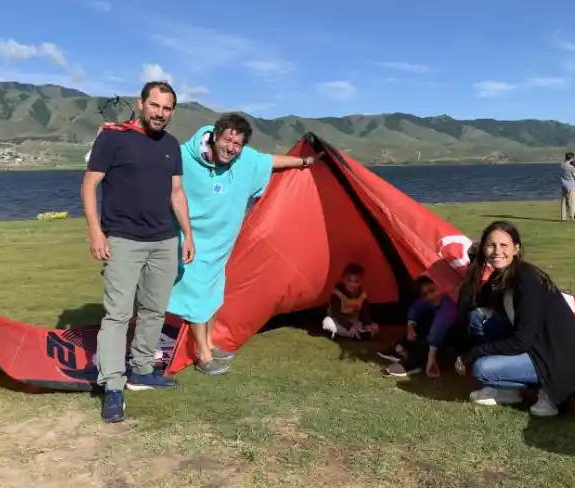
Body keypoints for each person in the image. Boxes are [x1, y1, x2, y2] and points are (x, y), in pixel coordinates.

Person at [167, 113, 321, 375]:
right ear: (215, 137)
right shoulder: (182, 157)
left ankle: (210, 344)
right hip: (189, 241)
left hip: (220, 247)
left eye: (237, 144)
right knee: (198, 297)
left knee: (213, 297)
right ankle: (203, 357)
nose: (231, 148)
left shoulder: (244, 160)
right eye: (227, 140)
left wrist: (305, 161)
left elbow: (271, 161)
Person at [81, 80, 195, 423]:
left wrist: (187, 235)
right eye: (155, 106)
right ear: (141, 104)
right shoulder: (113, 138)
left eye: (167, 108)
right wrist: (96, 233)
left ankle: (143, 369)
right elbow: (89, 185)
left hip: (163, 241)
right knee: (117, 315)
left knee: (153, 310)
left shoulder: (172, 146)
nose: (160, 113)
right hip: (123, 240)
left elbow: (176, 192)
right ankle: (113, 385)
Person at [453, 220, 575, 417]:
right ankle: (507, 390)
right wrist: (474, 267)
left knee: (481, 368)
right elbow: (470, 304)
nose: (496, 251)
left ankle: (551, 391)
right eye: (491, 245)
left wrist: (473, 353)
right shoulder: (499, 278)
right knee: (477, 318)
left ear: (516, 249)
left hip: (557, 357)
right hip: (533, 345)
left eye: (504, 245)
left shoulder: (528, 280)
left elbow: (521, 341)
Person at [380, 275, 457, 378]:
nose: (430, 296)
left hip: (452, 337)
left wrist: (431, 356)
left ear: (438, 286)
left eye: (432, 290)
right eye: (425, 294)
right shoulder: (430, 301)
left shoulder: (448, 303)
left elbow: (439, 328)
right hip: (433, 335)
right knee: (422, 319)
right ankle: (406, 348)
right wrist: (410, 328)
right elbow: (416, 308)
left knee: (434, 332)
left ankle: (414, 361)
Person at [322, 263, 380, 340]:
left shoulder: (362, 295)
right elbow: (336, 314)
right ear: (343, 280)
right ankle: (354, 334)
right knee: (327, 322)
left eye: (356, 281)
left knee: (374, 327)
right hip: (338, 321)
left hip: (353, 322)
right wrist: (349, 326)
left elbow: (365, 312)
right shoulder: (338, 294)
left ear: (361, 282)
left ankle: (355, 333)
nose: (352, 284)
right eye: (349, 281)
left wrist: (367, 324)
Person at [560, 152, 575, 221]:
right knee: (572, 202)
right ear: (571, 158)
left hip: (563, 185)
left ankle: (563, 217)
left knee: (564, 201)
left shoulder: (562, 165)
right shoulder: (571, 167)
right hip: (571, 186)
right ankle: (572, 217)